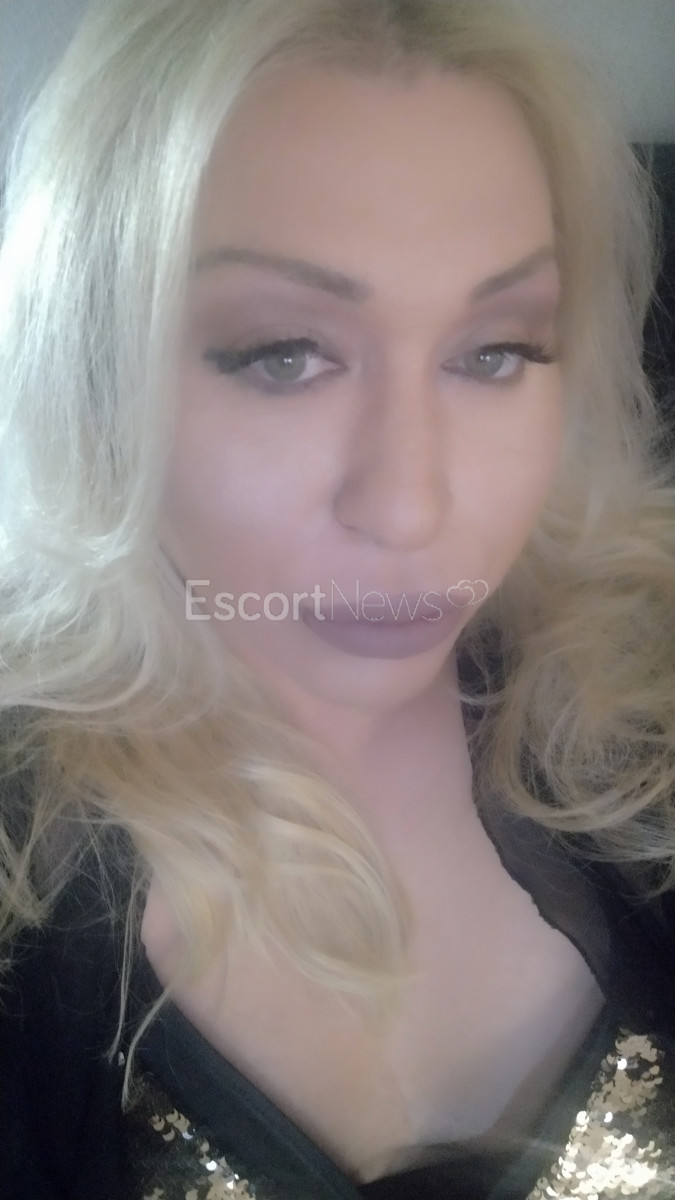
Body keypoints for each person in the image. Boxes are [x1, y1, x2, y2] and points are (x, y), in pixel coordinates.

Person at [1, 0, 674, 1196]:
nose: (410, 509)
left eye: (496, 352)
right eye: (282, 354)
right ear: (95, 365)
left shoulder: (640, 701)